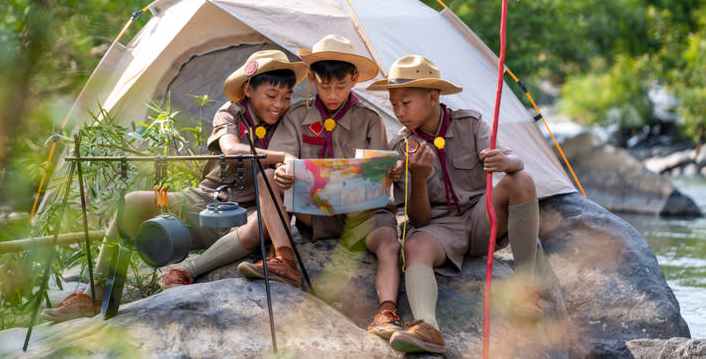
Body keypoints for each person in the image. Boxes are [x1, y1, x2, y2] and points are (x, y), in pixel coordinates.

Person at [40, 49, 307, 322]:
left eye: (287, 97)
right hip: (205, 202)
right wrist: (281, 157)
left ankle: (187, 270)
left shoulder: (288, 121)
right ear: (248, 90)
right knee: (132, 201)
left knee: (263, 221)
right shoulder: (230, 114)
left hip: (248, 213)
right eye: (271, 96)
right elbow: (230, 149)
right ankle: (93, 294)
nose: (279, 105)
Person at [366, 55, 541, 354]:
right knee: (415, 245)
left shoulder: (470, 123)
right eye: (394, 104)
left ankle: (527, 290)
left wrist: (505, 161)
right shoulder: (399, 148)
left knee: (521, 179)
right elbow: (419, 220)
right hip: (438, 229)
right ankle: (427, 327)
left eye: (405, 103)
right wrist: (418, 179)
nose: (398, 111)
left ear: (433, 98)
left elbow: (515, 160)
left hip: (481, 216)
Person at [237, 34, 405, 339]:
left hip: (363, 215)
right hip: (313, 214)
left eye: (340, 86)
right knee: (267, 177)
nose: (332, 94)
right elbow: (282, 159)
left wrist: (390, 171)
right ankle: (286, 260)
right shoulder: (297, 116)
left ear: (354, 79)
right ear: (312, 79)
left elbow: (382, 171)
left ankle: (387, 311)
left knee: (390, 245)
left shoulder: (370, 120)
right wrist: (285, 172)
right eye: (325, 86)